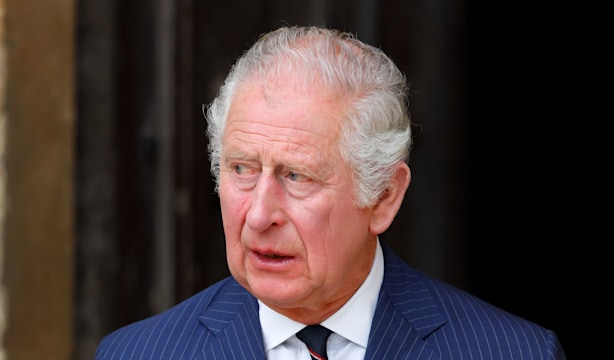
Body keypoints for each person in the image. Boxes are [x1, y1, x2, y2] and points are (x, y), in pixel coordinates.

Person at [95, 25, 566, 360]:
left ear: (383, 195)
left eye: (296, 176)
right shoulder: (137, 353)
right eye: (242, 169)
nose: (259, 216)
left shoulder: (513, 352)